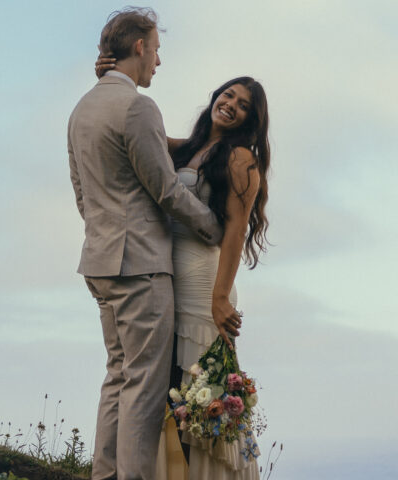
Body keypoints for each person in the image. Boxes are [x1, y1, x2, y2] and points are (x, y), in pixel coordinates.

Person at [67, 7, 228, 480]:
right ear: (139, 47)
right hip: (139, 265)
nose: (158, 61)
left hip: (99, 260)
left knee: (118, 376)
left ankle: (105, 474)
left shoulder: (80, 109)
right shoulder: (137, 107)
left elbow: (81, 192)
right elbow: (166, 189)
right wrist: (214, 228)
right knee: (144, 386)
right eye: (156, 50)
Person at [95, 56, 270, 480]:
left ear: (251, 120)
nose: (230, 104)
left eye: (243, 104)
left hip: (201, 280)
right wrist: (111, 79)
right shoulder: (190, 148)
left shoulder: (241, 158)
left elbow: (234, 230)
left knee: (198, 391)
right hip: (164, 271)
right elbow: (142, 135)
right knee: (163, 385)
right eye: (228, 94)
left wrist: (220, 296)